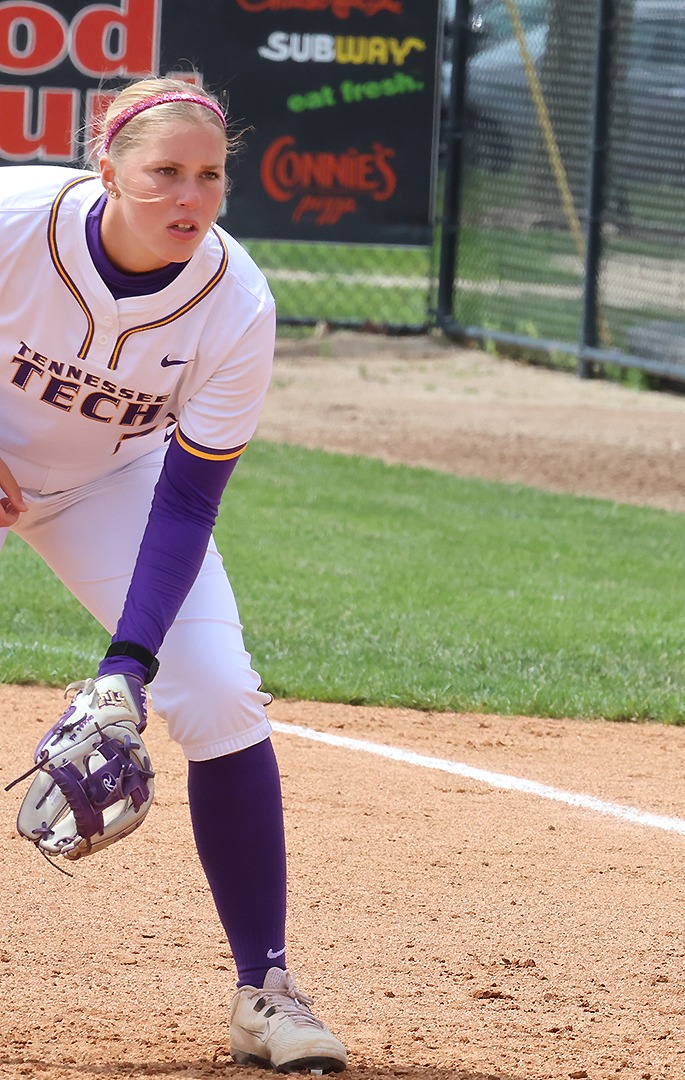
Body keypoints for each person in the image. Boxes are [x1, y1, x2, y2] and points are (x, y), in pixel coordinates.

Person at [0, 78, 348, 1072]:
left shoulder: (234, 304)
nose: (189, 197)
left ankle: (266, 989)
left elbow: (188, 500)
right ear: (105, 171)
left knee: (222, 693)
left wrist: (129, 663)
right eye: (164, 174)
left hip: (116, 482)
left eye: (210, 175)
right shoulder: (19, 221)